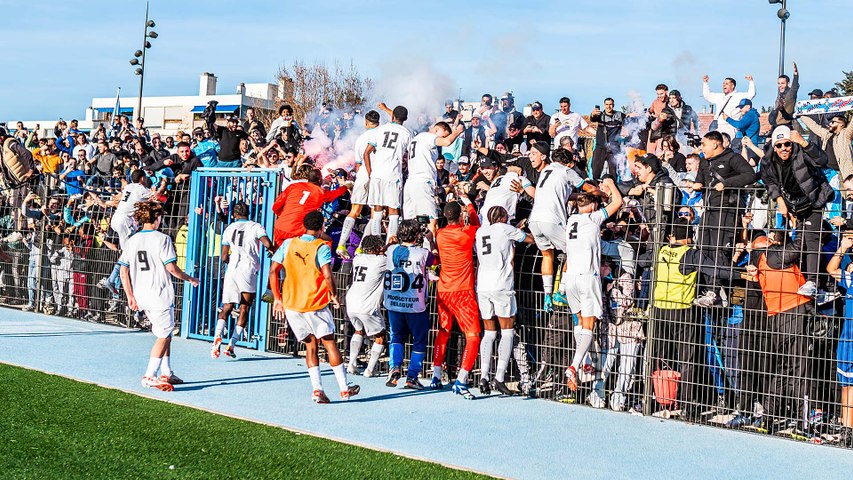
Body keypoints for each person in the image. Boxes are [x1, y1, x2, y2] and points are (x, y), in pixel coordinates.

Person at [269, 211, 360, 403]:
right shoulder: (321, 246)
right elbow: (327, 274)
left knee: (310, 345)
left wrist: (277, 297)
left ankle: (317, 389)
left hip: (292, 303)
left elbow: (273, 270)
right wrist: (334, 295)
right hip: (315, 303)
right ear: (321, 228)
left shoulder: (288, 244)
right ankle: (344, 388)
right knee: (329, 343)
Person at [118, 201, 199, 392]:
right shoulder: (162, 239)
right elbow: (171, 268)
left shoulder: (133, 240)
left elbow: (123, 271)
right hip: (159, 294)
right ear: (157, 218)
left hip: (141, 294)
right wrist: (190, 278)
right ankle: (149, 375)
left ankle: (166, 372)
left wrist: (130, 296)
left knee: (166, 332)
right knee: (163, 335)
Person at [744, 230, 812, 433]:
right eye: (769, 239)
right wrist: (799, 221)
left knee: (783, 369)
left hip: (778, 316)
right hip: (791, 313)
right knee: (800, 371)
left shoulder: (762, 259)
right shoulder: (772, 255)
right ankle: (802, 424)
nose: (770, 240)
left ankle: (768, 418)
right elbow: (798, 245)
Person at [560, 178, 623, 394]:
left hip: (570, 279)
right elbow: (618, 203)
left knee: (578, 320)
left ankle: (585, 359)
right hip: (588, 277)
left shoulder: (571, 221)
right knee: (589, 324)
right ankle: (574, 366)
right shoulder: (593, 218)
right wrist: (610, 184)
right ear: (594, 205)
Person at [759, 126, 832, 296]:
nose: (784, 148)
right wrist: (779, 200)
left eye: (787, 144)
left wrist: (804, 142)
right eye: (779, 145)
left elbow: (823, 161)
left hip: (814, 199)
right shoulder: (768, 160)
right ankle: (812, 283)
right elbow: (768, 181)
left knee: (812, 238)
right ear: (774, 146)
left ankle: (813, 282)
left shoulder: (802, 151)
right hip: (795, 205)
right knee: (801, 241)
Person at [475, 205, 534, 395]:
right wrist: (521, 231)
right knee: (507, 332)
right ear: (502, 217)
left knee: (489, 333)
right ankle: (499, 377)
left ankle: (483, 376)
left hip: (483, 285)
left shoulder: (481, 231)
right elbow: (529, 240)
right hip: (502, 284)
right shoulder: (506, 228)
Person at [528, 145, 590, 312]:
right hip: (552, 220)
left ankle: (547, 294)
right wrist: (604, 194)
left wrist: (577, 196)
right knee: (574, 250)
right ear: (569, 163)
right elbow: (588, 188)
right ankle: (561, 291)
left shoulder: (546, 172)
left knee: (547, 255)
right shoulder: (566, 171)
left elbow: (562, 194)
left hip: (534, 220)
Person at [431, 197, 481, 399]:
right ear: (460, 216)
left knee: (443, 331)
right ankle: (461, 379)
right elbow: (476, 222)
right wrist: (469, 203)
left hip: (444, 290)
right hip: (462, 291)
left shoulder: (440, 235)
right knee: (473, 336)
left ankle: (435, 376)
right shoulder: (466, 232)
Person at [211, 202, 273, 359]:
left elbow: (224, 256)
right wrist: (272, 250)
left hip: (232, 269)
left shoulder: (229, 228)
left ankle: (217, 336)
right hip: (248, 268)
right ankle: (231, 344)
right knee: (244, 307)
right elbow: (267, 243)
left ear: (234, 214)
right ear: (249, 213)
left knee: (227, 307)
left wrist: (232, 260)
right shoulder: (256, 226)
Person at [383, 219, 435, 389]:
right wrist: (430, 240)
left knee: (396, 337)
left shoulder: (391, 250)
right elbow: (435, 259)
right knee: (419, 341)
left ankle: (394, 367)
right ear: (417, 235)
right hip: (415, 304)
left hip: (393, 303)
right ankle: (412, 377)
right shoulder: (422, 253)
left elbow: (383, 251)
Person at [404, 121, 464, 236]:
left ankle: (410, 246)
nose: (444, 138)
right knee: (431, 220)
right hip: (423, 182)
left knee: (410, 221)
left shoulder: (417, 139)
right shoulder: (428, 137)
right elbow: (447, 142)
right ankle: (430, 249)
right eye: (443, 134)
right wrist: (458, 131)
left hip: (411, 183)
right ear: (437, 129)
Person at [363, 105, 412, 241]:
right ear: (406, 119)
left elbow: (366, 153)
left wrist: (370, 173)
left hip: (377, 175)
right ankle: (391, 241)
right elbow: (409, 156)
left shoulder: (381, 129)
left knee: (377, 210)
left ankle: (375, 242)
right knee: (393, 210)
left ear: (392, 116)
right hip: (393, 175)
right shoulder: (407, 133)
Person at [336, 110, 380, 257]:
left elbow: (358, 164)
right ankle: (362, 246)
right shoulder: (382, 133)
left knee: (355, 210)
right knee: (375, 213)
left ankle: (341, 245)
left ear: (366, 123)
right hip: (377, 174)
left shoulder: (361, 138)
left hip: (362, 175)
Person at [344, 235, 388, 377]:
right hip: (367, 306)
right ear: (377, 248)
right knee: (380, 335)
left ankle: (351, 364)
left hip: (351, 302)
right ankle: (370, 369)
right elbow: (385, 255)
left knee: (358, 330)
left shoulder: (357, 258)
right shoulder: (381, 260)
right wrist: (388, 246)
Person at [271, 165, 347, 246]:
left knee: (279, 256)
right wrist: (345, 187)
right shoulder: (319, 192)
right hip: (298, 230)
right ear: (319, 180)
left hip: (280, 226)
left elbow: (275, 207)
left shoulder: (293, 186)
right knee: (327, 242)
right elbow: (333, 195)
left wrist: (286, 216)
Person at [826, 233, 853, 447]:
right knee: (845, 385)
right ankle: (845, 427)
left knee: (852, 387)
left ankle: (849, 431)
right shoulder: (851, 279)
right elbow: (831, 269)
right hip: (847, 338)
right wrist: (842, 247)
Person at [702, 74, 756, 143]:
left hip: (730, 126)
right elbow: (707, 95)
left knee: (726, 145)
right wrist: (705, 83)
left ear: (732, 86)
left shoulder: (738, 96)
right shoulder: (719, 96)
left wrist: (751, 81)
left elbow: (751, 94)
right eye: (723, 83)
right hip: (718, 126)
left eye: (727, 84)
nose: (724, 85)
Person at [799, 114, 853, 179]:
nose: (830, 123)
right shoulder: (826, 134)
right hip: (826, 172)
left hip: (841, 173)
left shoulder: (846, 134)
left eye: (833, 122)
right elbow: (813, 126)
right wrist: (800, 114)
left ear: (841, 124)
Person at [590, 98, 624, 180]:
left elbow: (630, 121)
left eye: (610, 104)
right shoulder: (600, 115)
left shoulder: (619, 115)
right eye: (607, 104)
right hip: (600, 146)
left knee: (614, 171)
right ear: (604, 105)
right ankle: (596, 187)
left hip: (614, 148)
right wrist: (592, 114)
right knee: (596, 170)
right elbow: (592, 119)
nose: (608, 107)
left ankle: (614, 188)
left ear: (613, 105)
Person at [770, 63, 800, 130]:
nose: (780, 85)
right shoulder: (780, 96)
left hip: (787, 125)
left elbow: (794, 87)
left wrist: (796, 75)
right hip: (777, 126)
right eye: (779, 83)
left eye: (782, 83)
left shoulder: (790, 95)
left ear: (788, 83)